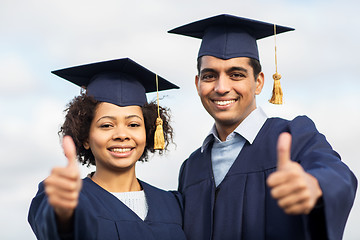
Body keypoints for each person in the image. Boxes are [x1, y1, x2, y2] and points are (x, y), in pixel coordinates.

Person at [168, 14, 357, 239]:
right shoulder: (191, 167)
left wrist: (315, 186)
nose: (221, 87)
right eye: (210, 76)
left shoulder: (293, 137)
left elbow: (337, 174)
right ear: (198, 84)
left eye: (236, 74)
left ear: (258, 82)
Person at [28, 58, 187, 240]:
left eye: (133, 124)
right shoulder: (69, 197)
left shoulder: (172, 204)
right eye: (106, 125)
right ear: (85, 138)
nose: (121, 134)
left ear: (149, 131)